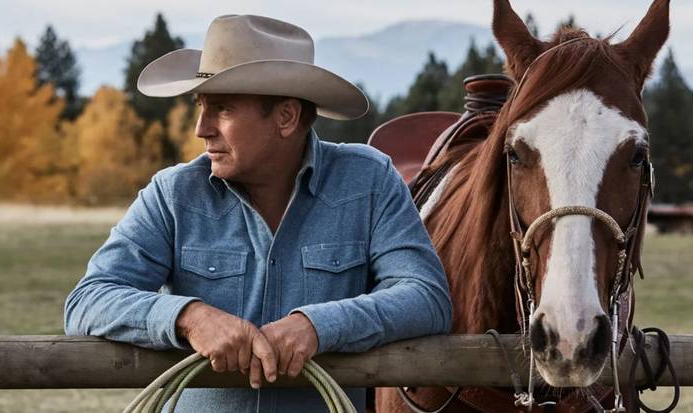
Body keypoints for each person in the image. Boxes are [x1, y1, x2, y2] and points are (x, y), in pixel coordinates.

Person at [64, 14, 452, 413]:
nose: (201, 128)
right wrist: (191, 317)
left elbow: (426, 297)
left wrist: (318, 326)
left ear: (285, 117)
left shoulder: (369, 181)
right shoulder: (173, 194)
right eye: (202, 107)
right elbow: (89, 301)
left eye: (223, 109)